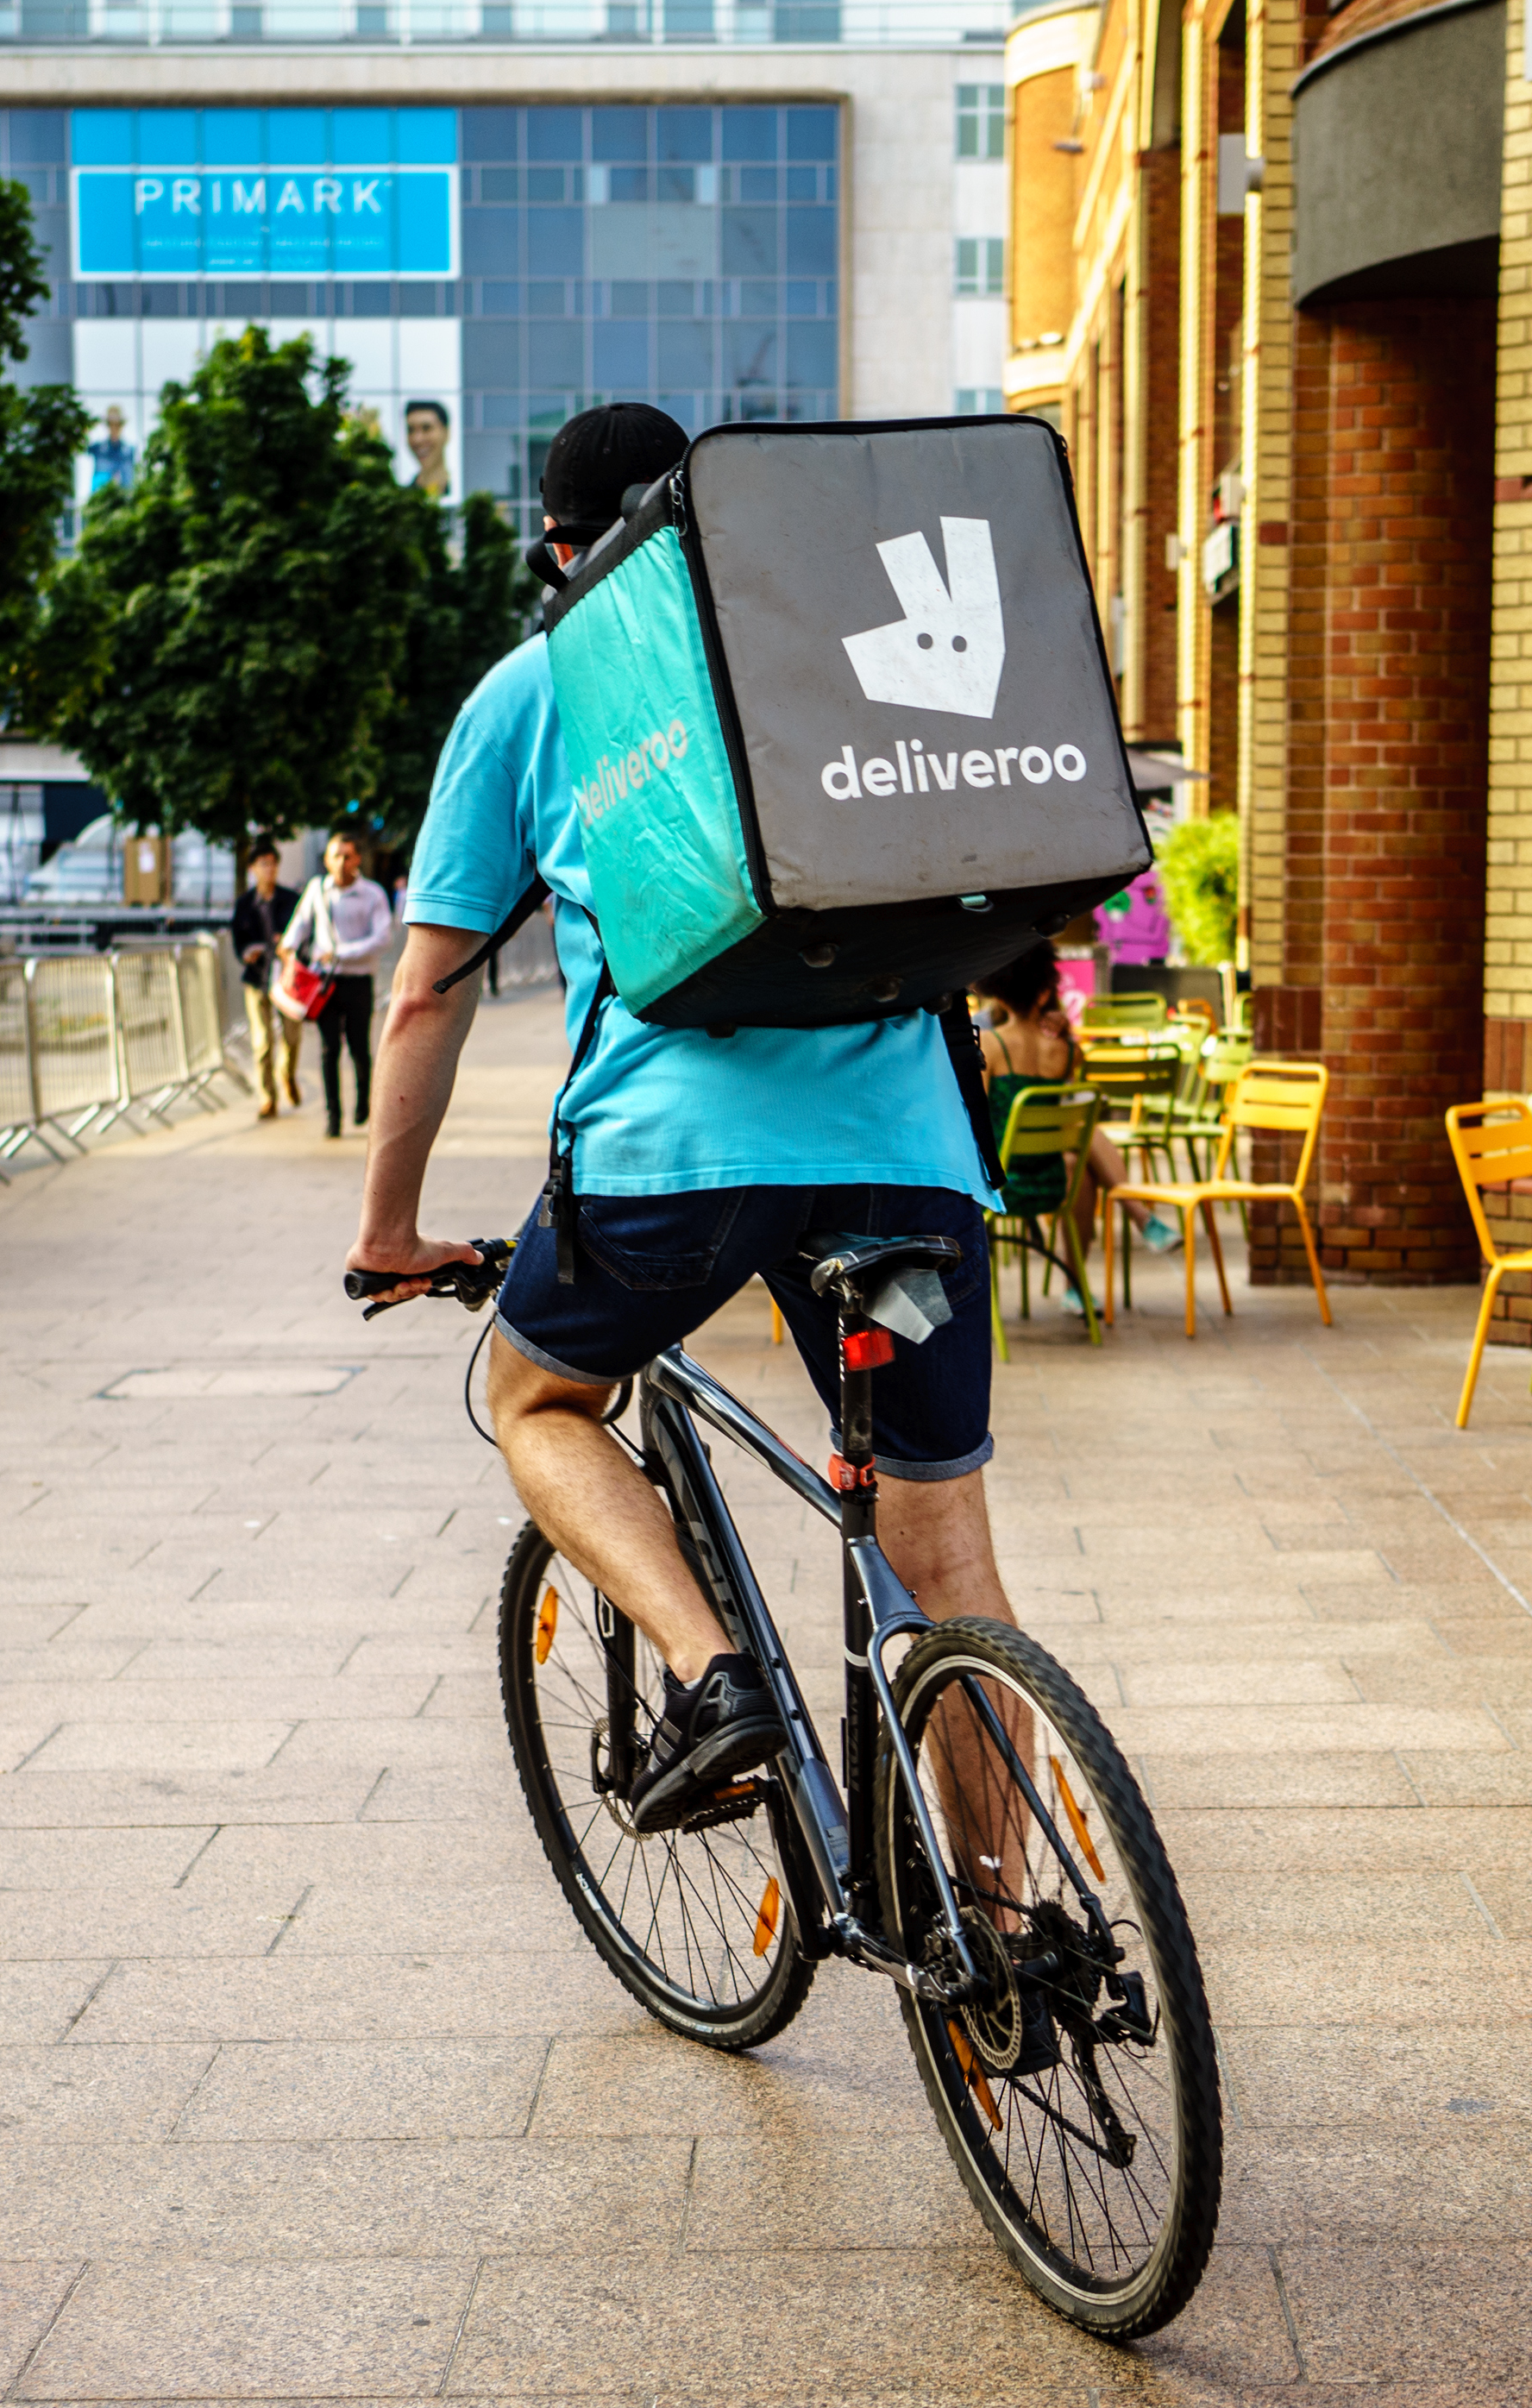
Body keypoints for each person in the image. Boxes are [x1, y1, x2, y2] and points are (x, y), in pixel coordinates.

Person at [342, 401, 1020, 1835]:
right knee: (948, 1557)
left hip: (670, 1173)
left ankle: (716, 1677)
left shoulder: (535, 690)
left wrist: (391, 1230)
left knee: (535, 1397)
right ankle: (1006, 1954)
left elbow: (424, 997)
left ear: (560, 550)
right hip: (907, 1159)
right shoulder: (846, 660)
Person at [972, 942, 1171, 1253]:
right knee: (1078, 1157)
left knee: (1078, 1147)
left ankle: (1137, 1219)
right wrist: (1063, 1034)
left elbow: (976, 1113)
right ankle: (1082, 1278)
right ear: (1044, 993)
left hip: (1001, 1182)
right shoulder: (1069, 1052)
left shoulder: (987, 1043)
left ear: (998, 992)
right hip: (1050, 1179)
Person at [286, 828, 395, 1138]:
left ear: (357, 859)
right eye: (336, 856)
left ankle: (364, 1102)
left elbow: (382, 938)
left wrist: (341, 954)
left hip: (359, 982)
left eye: (348, 856)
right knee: (328, 1048)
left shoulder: (372, 894)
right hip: (325, 984)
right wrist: (289, 946)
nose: (342, 862)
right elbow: (301, 923)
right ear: (326, 859)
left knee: (359, 1047)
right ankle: (332, 1115)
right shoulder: (317, 890)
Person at [229, 839, 302, 1119]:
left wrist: (287, 943)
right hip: (257, 978)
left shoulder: (290, 899)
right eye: (263, 864)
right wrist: (248, 952)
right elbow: (239, 940)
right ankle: (268, 1098)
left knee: (292, 1037)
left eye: (273, 864)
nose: (269, 869)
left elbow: (302, 932)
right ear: (252, 869)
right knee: (262, 1041)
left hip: (287, 979)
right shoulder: (244, 904)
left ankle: (287, 1074)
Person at [403, 399, 452, 499]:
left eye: (426, 428)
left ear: (446, 433)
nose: (417, 440)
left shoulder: (467, 493)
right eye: (411, 430)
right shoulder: (401, 500)